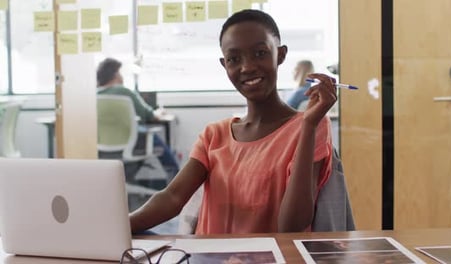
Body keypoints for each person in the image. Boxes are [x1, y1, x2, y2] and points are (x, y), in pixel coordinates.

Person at [130, 9, 337, 234]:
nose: (247, 67)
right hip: (209, 258)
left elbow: (291, 226)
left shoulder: (310, 126)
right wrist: (114, 226)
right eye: (234, 59)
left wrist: (308, 127)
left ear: (281, 54)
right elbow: (172, 197)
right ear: (224, 64)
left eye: (260, 53)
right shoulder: (214, 135)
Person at [96, 58, 180, 186]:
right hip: (126, 148)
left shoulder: (93, 95)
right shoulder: (124, 92)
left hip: (101, 151)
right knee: (154, 138)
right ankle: (176, 180)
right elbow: (148, 115)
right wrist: (159, 113)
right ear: (115, 74)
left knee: (143, 132)